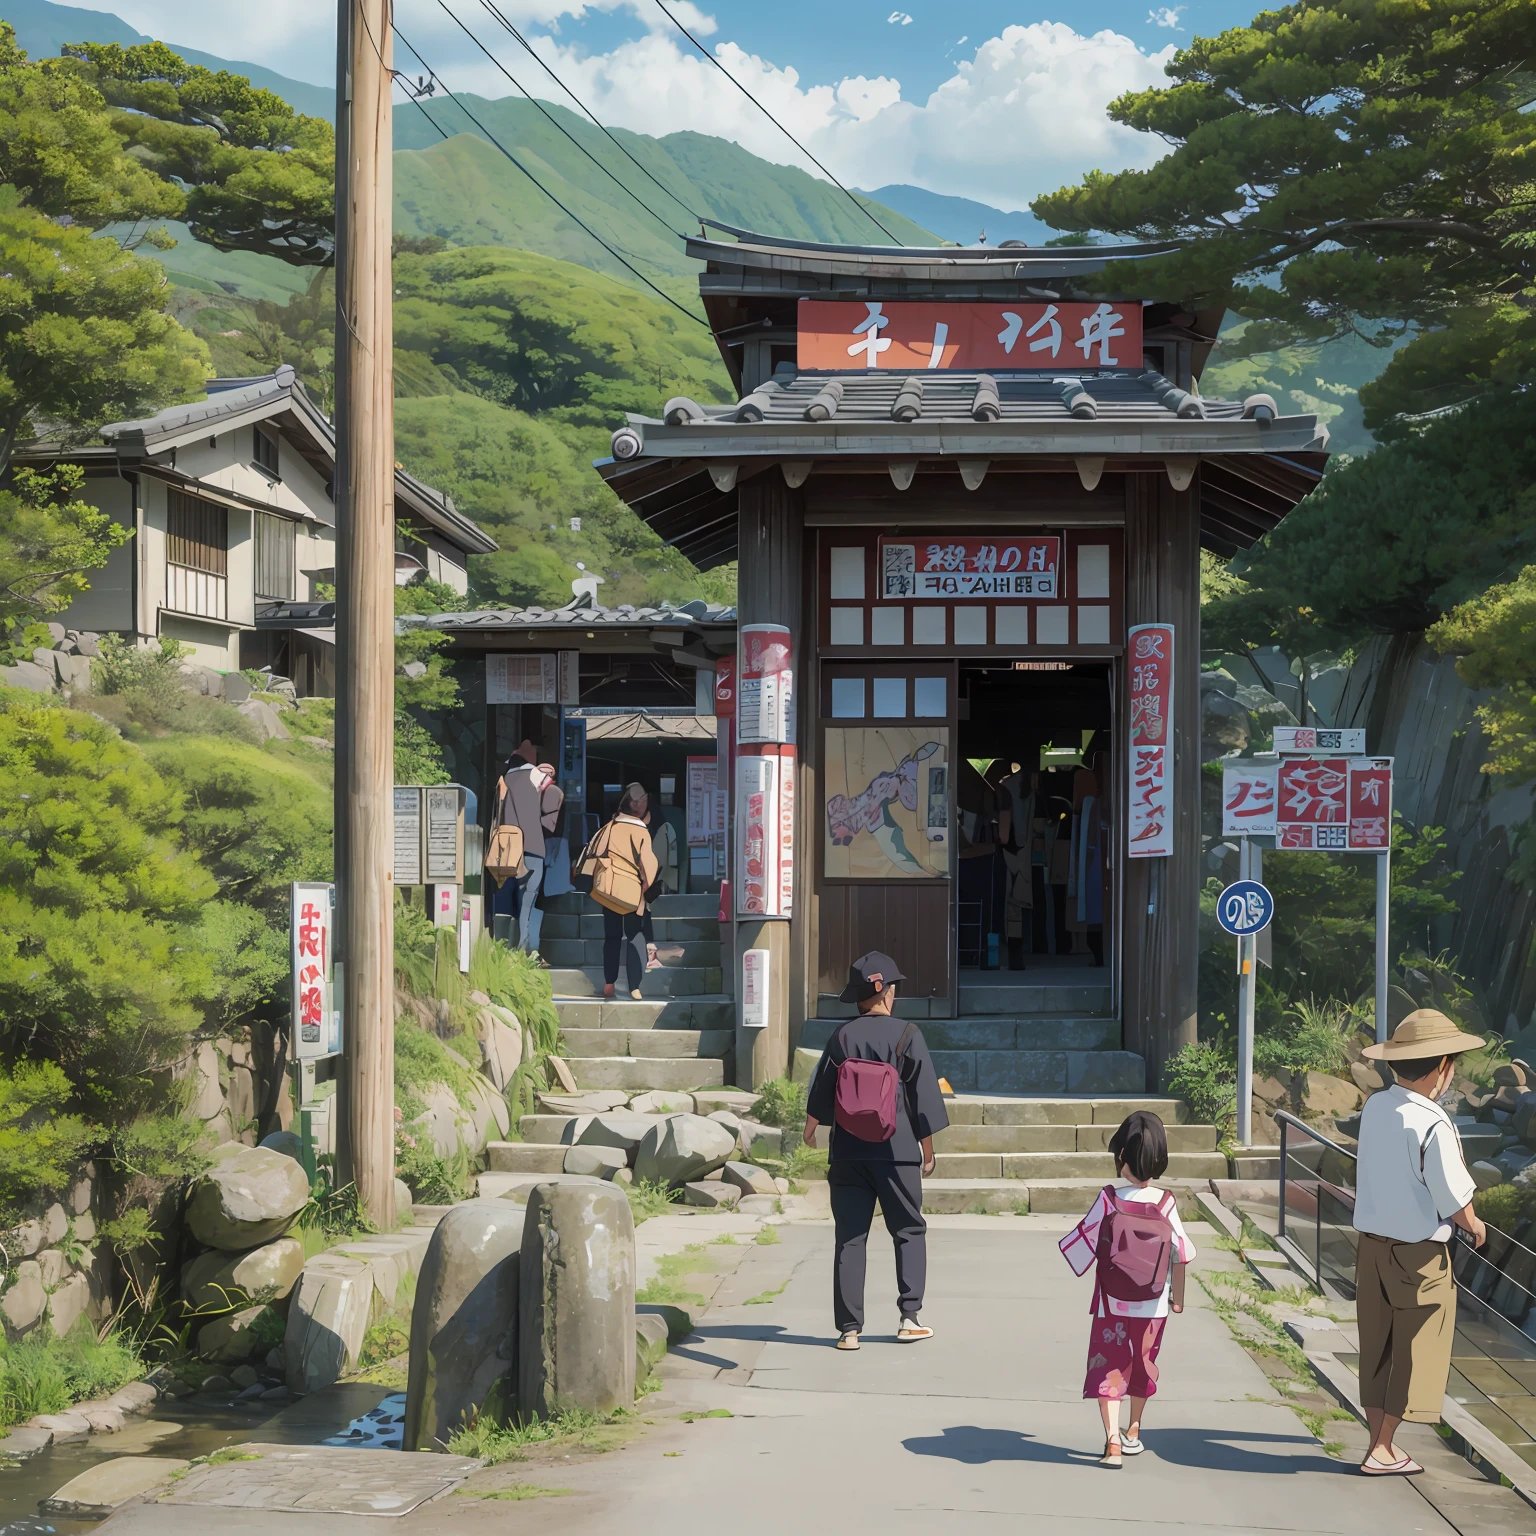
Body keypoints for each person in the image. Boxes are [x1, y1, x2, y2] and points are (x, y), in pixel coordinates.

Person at [1352, 1008, 1488, 1476]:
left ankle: (1376, 1441)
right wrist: (1474, 1224)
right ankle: (1383, 1449)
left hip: (1371, 1246)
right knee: (1417, 1350)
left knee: (1378, 1346)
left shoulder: (1375, 1106)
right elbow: (1452, 1195)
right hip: (1420, 1254)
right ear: (1442, 1069)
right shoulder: (1434, 1122)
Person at [804, 952, 949, 1351]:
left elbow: (823, 1088)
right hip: (897, 1151)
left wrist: (811, 1127)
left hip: (848, 1151)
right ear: (886, 992)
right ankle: (909, 1317)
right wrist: (928, 1148)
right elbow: (922, 1096)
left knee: (850, 1236)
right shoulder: (908, 1034)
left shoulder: (842, 1036)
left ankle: (849, 1330)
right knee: (908, 1230)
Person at [1059, 1111, 1196, 1468]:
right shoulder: (1166, 1203)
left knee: (1111, 1367)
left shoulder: (1109, 1199)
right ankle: (1134, 1431)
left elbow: (1080, 1245)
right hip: (1154, 1306)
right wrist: (1177, 1300)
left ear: (1120, 1156)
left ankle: (1112, 1444)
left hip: (1112, 1304)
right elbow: (1183, 1252)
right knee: (1143, 1363)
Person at [499, 741, 563, 963]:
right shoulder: (538, 779)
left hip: (505, 849)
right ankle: (523, 952)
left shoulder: (504, 779)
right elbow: (549, 818)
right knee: (528, 901)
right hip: (532, 848)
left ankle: (503, 949)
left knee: (507, 901)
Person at [597, 783, 661, 1000]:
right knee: (635, 936)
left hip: (609, 889)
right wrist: (646, 887)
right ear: (637, 804)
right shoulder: (640, 829)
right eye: (643, 798)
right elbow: (649, 866)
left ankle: (609, 984)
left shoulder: (610, 826)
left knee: (611, 937)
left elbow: (596, 854)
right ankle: (634, 987)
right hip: (633, 890)